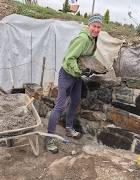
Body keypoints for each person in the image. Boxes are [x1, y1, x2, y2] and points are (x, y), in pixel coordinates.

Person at [45, 14, 103, 153]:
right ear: (89, 26)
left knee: (76, 101)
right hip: (67, 74)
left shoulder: (93, 39)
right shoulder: (82, 39)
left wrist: (91, 67)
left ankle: (69, 128)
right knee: (59, 106)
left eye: (99, 27)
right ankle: (49, 138)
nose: (96, 29)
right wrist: (79, 70)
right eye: (94, 26)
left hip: (76, 76)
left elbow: (87, 57)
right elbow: (69, 59)